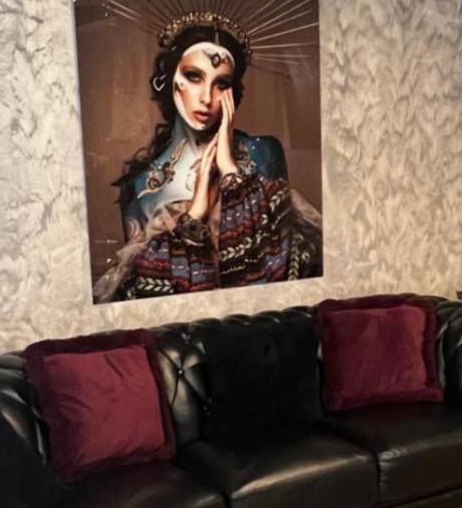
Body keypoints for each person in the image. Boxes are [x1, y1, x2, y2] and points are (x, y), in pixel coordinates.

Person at [94, 17, 320, 301]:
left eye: (221, 83)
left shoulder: (262, 153)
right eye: (194, 76)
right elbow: (149, 297)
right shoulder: (142, 186)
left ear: (232, 92)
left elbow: (280, 271)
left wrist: (230, 173)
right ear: (171, 78)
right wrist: (195, 216)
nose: (206, 98)